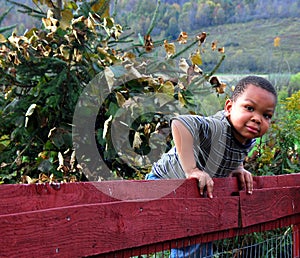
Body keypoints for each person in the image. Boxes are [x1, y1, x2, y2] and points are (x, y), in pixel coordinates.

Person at [146, 75, 277, 258]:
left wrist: (237, 167)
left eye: (266, 115)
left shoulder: (248, 140)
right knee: (192, 239)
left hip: (194, 193)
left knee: (203, 234)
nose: (257, 119)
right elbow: (180, 124)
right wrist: (192, 169)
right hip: (164, 183)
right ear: (229, 108)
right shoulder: (215, 128)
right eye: (249, 108)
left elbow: (233, 149)